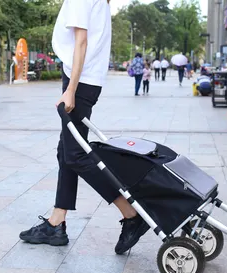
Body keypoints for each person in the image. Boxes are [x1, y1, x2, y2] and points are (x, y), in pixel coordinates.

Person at [19, 0, 149, 255]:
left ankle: (131, 213)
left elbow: (81, 42)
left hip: (81, 82)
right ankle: (57, 222)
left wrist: (70, 90)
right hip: (86, 79)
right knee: (66, 152)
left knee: (76, 155)